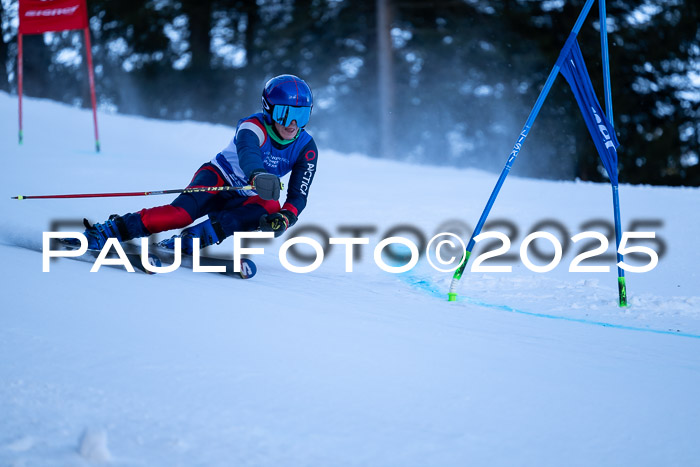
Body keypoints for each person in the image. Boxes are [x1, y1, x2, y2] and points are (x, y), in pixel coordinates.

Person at [79, 74, 318, 254]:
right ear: (269, 110)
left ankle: (191, 240)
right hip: (218, 178)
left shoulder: (306, 148)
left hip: (246, 196)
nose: (293, 124)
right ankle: (109, 230)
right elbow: (249, 154)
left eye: (302, 116)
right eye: (286, 114)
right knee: (179, 215)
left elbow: (298, 194)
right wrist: (256, 175)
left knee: (272, 205)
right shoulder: (252, 127)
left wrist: (286, 217)